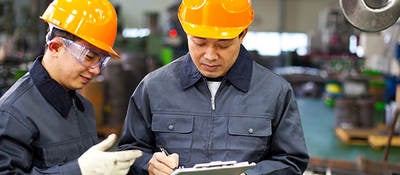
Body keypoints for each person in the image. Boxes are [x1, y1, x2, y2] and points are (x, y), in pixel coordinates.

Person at [118, 0, 309, 174]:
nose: (210, 55)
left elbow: (291, 160)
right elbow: (129, 153)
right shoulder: (154, 87)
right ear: (187, 32)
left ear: (242, 34)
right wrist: (148, 164)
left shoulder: (275, 92)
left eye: (223, 44)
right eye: (199, 42)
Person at [0, 0, 142, 174]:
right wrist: (79, 170)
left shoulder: (83, 108)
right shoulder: (13, 114)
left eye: (102, 61)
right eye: (89, 56)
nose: (96, 70)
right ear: (56, 47)